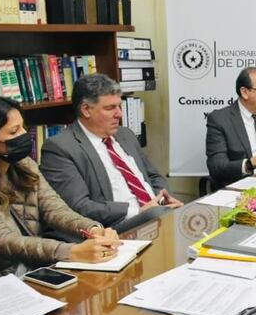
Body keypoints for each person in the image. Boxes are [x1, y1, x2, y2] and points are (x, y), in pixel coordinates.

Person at [0, 97, 121, 295]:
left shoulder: (24, 165)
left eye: (23, 127)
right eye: (14, 131)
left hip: (29, 270)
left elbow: (56, 209)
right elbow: (1, 240)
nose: (24, 135)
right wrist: (71, 251)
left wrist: (93, 229)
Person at [40, 74, 182, 227]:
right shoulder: (60, 148)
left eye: (119, 106)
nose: (119, 114)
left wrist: (163, 198)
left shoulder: (125, 134)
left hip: (156, 216)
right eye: (110, 108)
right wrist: (139, 211)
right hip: (116, 228)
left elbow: (153, 176)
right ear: (86, 109)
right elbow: (80, 207)